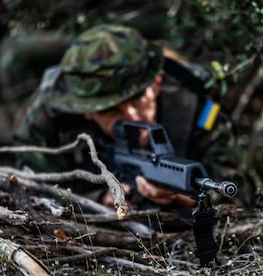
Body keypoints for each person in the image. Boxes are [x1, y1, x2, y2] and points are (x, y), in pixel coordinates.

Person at [13, 24, 238, 210]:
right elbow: (35, 189)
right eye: (112, 110)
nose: (132, 116)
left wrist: (182, 197)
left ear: (156, 84)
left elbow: (235, 189)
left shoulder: (197, 96)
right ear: (87, 111)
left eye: (138, 98)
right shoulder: (49, 111)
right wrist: (98, 199)